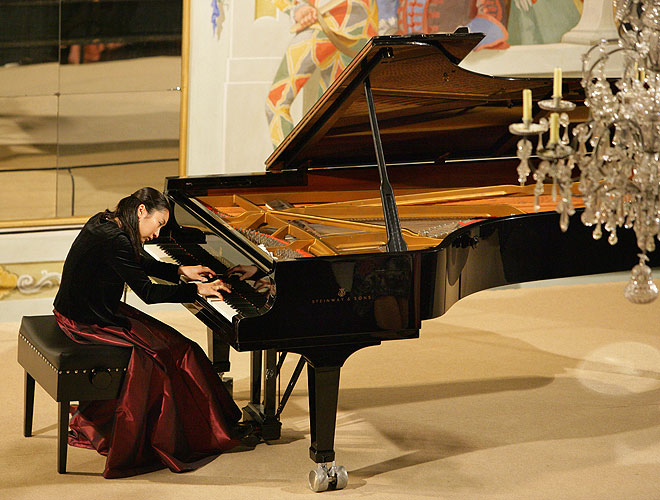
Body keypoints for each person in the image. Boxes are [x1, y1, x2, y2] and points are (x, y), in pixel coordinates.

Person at [53, 187, 246, 479]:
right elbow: (147, 292)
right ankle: (189, 435)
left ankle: (214, 424)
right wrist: (197, 290)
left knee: (182, 346)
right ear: (142, 211)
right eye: (158, 224)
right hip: (86, 322)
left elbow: (138, 262)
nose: (157, 234)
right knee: (165, 357)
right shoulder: (114, 240)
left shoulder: (106, 222)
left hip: (90, 310)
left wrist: (181, 270)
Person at [265, 0, 378, 147]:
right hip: (361, 26)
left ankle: (288, 167)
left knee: (276, 103)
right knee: (332, 113)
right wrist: (299, 9)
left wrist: (297, 9)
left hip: (327, 25)